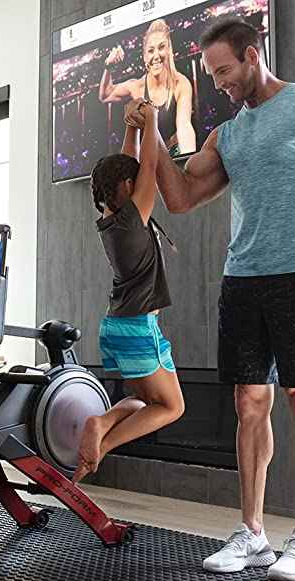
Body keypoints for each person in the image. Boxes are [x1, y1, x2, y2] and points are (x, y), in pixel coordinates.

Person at [131, 18, 295, 581]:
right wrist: (152, 133)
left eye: (224, 71)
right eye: (211, 75)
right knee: (248, 404)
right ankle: (253, 532)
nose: (218, 84)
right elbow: (182, 196)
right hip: (243, 279)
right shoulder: (228, 136)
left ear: (251, 55)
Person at [72, 99, 185, 485]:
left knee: (143, 403)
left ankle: (102, 420)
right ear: (127, 187)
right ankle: (101, 445)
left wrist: (132, 131)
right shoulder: (133, 219)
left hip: (118, 326)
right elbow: (149, 167)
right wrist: (152, 122)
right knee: (171, 407)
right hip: (138, 327)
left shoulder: (112, 218)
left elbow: (131, 167)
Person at [98, 19, 196, 156]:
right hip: (148, 157)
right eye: (151, 50)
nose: (156, 55)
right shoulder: (137, 87)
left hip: (174, 154)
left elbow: (184, 126)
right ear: (145, 57)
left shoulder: (181, 84)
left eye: (161, 47)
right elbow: (105, 95)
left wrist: (186, 161)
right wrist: (108, 66)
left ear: (169, 50)